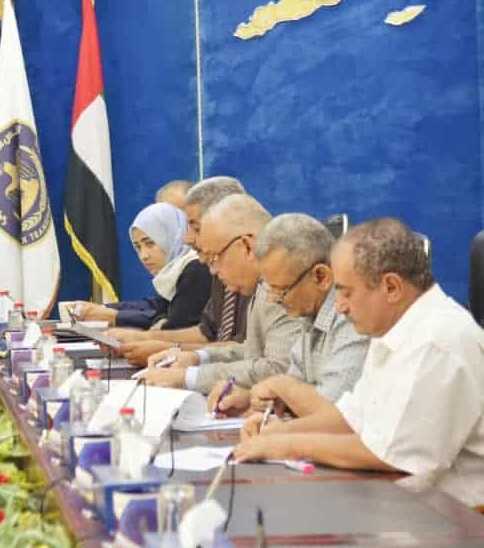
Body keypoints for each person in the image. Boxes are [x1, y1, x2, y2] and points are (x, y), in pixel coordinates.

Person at [235, 218, 484, 508]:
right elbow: (350, 420)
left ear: (391, 287)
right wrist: (279, 430)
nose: (340, 306)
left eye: (346, 292)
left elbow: (389, 455)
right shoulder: (392, 330)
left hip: (457, 517)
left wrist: (287, 445)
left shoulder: (437, 341)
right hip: (406, 501)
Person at [205, 213, 369, 416]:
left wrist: (281, 387)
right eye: (269, 288)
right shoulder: (309, 315)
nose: (273, 299)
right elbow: (293, 390)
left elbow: (335, 412)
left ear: (321, 277)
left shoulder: (353, 317)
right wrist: (250, 401)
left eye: (281, 290)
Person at [141, 194, 300, 392]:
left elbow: (277, 368)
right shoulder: (260, 285)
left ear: (247, 246)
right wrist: (198, 358)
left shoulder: (282, 286)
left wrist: (187, 377)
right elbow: (253, 351)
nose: (213, 271)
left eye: (214, 258)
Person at [106, 177, 248, 366]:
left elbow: (246, 351)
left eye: (195, 227)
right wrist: (144, 338)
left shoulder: (264, 279)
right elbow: (205, 332)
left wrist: (170, 349)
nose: (186, 238)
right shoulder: (216, 265)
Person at [70, 203, 210, 330]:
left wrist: (111, 316)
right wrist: (102, 309)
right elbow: (156, 308)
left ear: (172, 236)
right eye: (138, 247)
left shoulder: (195, 268)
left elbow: (174, 328)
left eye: (150, 243)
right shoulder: (174, 272)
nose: (143, 256)